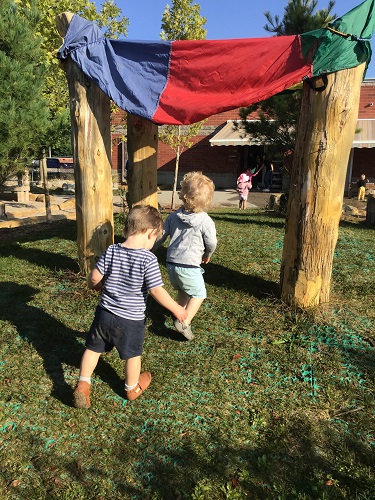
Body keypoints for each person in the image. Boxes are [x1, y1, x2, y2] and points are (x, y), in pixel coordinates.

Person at [73, 205, 188, 409]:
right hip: (130, 320)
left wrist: (96, 286)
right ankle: (131, 387)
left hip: (104, 313)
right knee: (133, 355)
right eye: (155, 239)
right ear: (149, 233)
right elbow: (156, 290)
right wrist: (177, 309)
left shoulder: (112, 250)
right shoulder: (148, 259)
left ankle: (83, 383)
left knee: (93, 349)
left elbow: (94, 277)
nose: (153, 243)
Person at [153, 171, 217, 341]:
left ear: (183, 195)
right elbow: (211, 242)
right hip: (189, 266)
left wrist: (150, 249)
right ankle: (185, 321)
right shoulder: (205, 221)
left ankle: (178, 312)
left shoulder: (173, 216)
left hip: (171, 264)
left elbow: (161, 236)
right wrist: (207, 253)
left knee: (183, 289)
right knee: (199, 293)